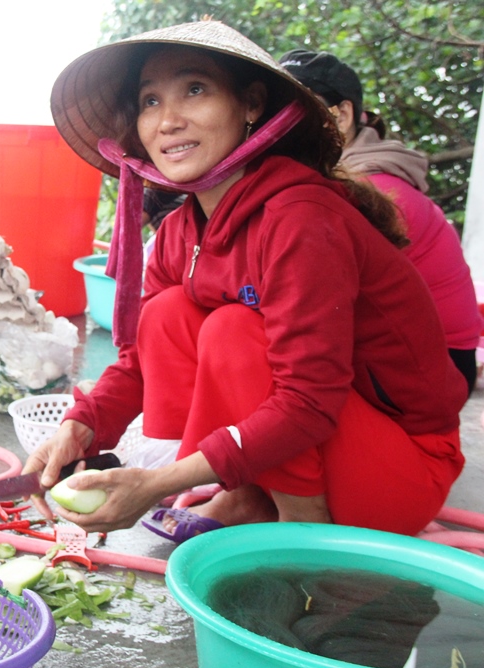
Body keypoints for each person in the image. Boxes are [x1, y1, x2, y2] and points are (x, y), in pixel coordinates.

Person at [32, 20, 466, 544]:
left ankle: (303, 524)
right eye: (150, 101)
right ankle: (252, 492)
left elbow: (308, 400)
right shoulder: (180, 230)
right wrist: (78, 427)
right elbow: (138, 364)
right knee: (166, 315)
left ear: (252, 104)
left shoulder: (300, 219)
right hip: (316, 443)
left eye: (195, 89)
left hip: (401, 467)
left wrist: (158, 484)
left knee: (233, 331)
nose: (168, 120)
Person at [279, 49, 481, 397]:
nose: (276, 124)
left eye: (293, 109)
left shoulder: (373, 189)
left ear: (342, 115)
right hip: (414, 349)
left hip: (438, 366)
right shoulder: (344, 178)